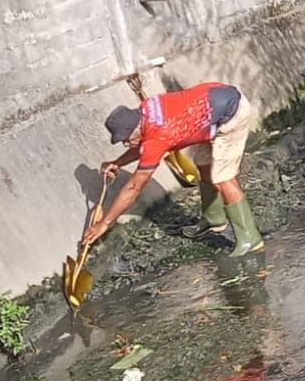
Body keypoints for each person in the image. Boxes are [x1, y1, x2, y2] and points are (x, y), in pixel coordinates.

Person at [84, 81, 264, 256]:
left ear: (137, 126)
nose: (126, 143)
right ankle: (214, 219)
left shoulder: (157, 137)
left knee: (224, 178)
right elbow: (143, 146)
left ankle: (250, 239)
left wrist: (105, 223)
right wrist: (118, 163)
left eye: (126, 138)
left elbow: (134, 187)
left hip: (232, 113)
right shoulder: (147, 109)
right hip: (214, 100)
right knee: (203, 164)